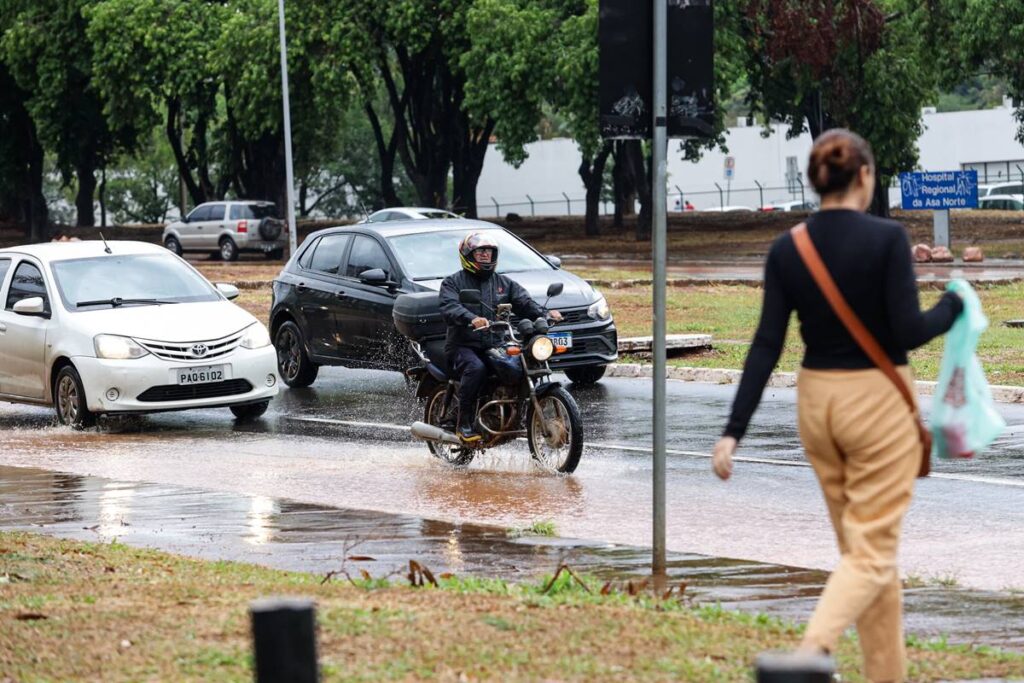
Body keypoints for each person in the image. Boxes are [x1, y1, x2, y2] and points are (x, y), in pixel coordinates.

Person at [712, 129, 963, 681]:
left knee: (866, 557)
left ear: (815, 180)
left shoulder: (788, 248)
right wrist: (953, 304)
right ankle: (813, 652)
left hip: (818, 406)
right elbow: (909, 330)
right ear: (866, 178)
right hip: (876, 405)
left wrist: (733, 432)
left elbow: (766, 345)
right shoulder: (888, 239)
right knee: (872, 554)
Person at [439, 232, 562, 443]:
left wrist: (544, 315)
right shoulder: (453, 283)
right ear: (468, 255)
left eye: (489, 252)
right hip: (463, 345)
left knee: (521, 364)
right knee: (476, 368)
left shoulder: (504, 283)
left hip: (495, 343)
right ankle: (464, 423)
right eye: (480, 252)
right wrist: (471, 318)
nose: (486, 255)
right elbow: (449, 306)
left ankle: (516, 412)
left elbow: (524, 303)